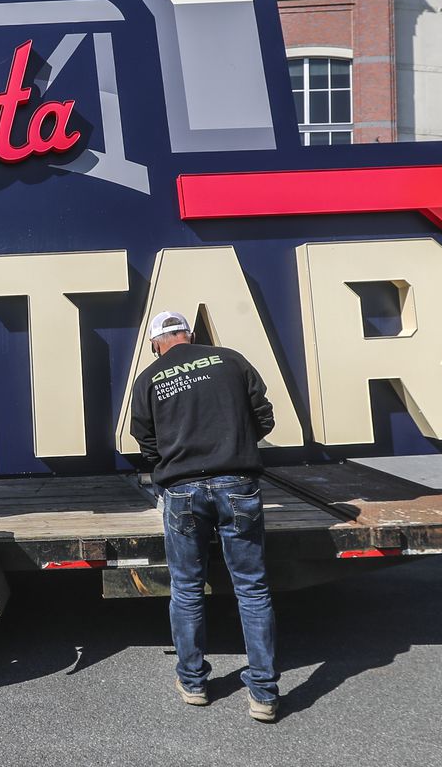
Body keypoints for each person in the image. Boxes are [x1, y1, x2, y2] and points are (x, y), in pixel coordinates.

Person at [130, 310, 279, 723]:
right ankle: (264, 694)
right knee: (251, 589)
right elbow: (263, 417)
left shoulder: (150, 379)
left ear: (158, 343)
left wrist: (174, 460)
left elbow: (145, 441)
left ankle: (194, 683)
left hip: (181, 491)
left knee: (187, 589)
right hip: (237, 484)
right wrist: (232, 445)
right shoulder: (230, 359)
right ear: (189, 335)